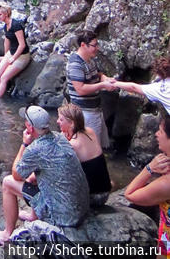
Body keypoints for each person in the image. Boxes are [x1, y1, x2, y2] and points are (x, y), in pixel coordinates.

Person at [0, 105, 89, 245]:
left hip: (64, 218)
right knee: (35, 177)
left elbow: (16, 174)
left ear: (29, 126)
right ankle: (33, 216)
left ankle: (6, 234)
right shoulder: (60, 137)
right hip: (81, 208)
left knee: (7, 182)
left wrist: (24, 144)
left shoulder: (35, 149)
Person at [125, 113, 170, 256]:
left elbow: (130, 195)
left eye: (161, 131)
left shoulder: (166, 183)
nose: (156, 134)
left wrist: (148, 169)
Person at [66, 29, 117, 148]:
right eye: (94, 45)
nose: (97, 48)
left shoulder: (89, 60)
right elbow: (80, 89)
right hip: (85, 113)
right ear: (83, 45)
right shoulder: (75, 64)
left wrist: (104, 78)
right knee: (91, 148)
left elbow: (97, 74)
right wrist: (103, 85)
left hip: (95, 110)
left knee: (98, 145)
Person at [57, 103, 111, 206]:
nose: (57, 121)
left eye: (61, 119)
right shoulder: (90, 131)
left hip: (92, 198)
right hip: (106, 192)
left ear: (72, 123)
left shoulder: (73, 144)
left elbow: (62, 172)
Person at [0, 2, 31, 103]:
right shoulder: (6, 26)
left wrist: (13, 58)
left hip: (22, 55)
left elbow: (22, 45)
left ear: (6, 14)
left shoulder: (16, 25)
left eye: (0, 14)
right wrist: (5, 55)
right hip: (11, 53)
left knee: (4, 77)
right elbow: (7, 40)